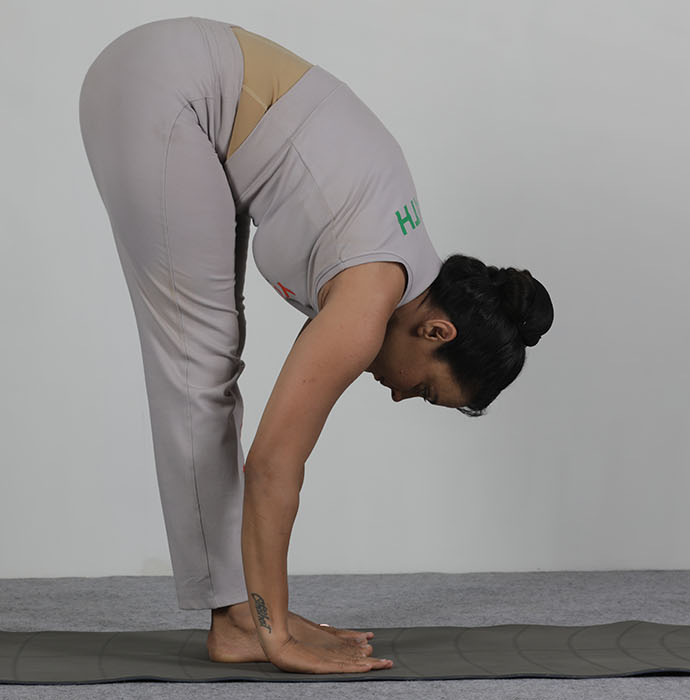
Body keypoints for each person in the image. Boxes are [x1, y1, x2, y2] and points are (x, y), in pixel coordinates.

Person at [77, 16, 553, 674]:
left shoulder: (396, 259)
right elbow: (274, 467)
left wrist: (268, 605)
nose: (397, 393)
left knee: (208, 366)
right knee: (198, 371)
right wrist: (282, 637)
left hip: (171, 83)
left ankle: (246, 616)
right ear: (437, 331)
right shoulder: (368, 297)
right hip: (166, 92)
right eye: (423, 388)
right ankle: (252, 627)